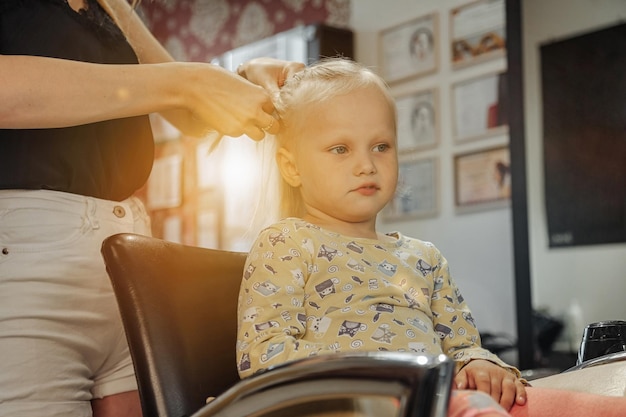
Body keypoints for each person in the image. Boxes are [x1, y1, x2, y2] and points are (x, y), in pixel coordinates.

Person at [235, 58, 626, 417]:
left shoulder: (424, 257)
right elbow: (265, 356)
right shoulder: (285, 243)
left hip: (441, 399)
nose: (366, 164)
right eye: (340, 149)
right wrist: (396, 371)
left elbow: (462, 345)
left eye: (381, 146)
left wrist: (481, 364)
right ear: (291, 166)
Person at [0, 1, 304, 416]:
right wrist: (190, 81)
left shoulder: (109, 6)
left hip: (127, 262)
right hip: (28, 264)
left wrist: (243, 80)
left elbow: (191, 115)